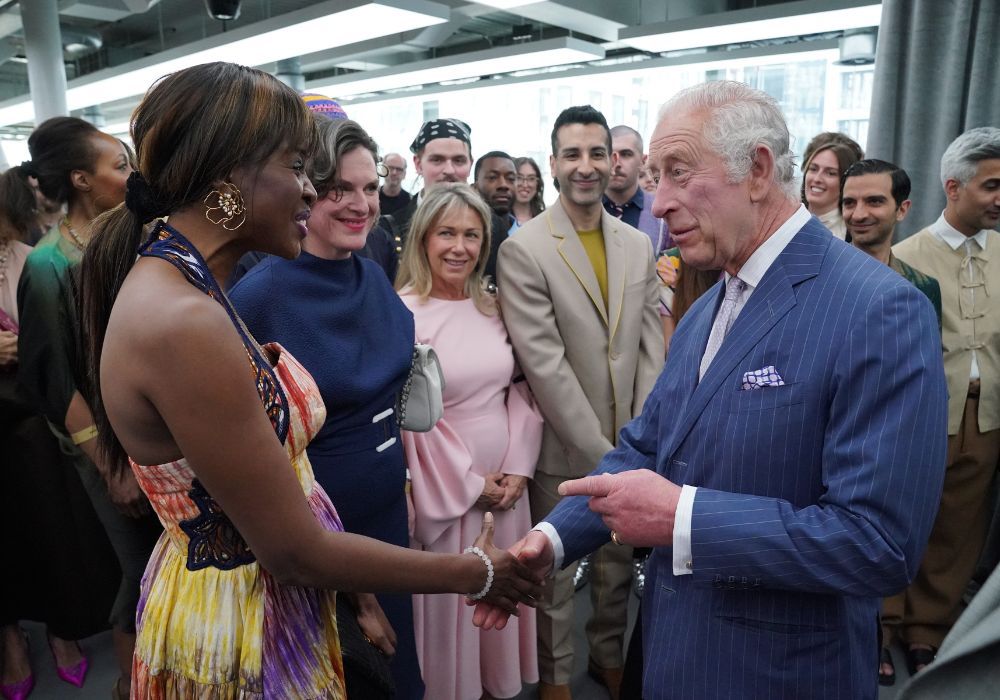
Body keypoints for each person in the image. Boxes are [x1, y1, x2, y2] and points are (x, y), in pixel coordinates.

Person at [78, 61, 540, 698]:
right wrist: (474, 573)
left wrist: (359, 592)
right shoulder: (183, 320)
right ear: (229, 180)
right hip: (239, 624)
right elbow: (292, 550)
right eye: (298, 167)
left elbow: (284, 487)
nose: (307, 191)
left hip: (274, 597)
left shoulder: (192, 288)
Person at [480, 81, 949, 700]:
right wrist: (551, 539)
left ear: (756, 169)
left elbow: (879, 545)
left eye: (678, 172)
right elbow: (645, 447)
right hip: (676, 655)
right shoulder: (706, 307)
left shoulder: (879, 310)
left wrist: (682, 517)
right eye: (654, 176)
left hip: (781, 673)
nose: (660, 200)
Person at [229, 117, 424, 697]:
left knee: (400, 675)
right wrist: (354, 593)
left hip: (388, 514)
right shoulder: (260, 296)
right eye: (340, 189)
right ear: (304, 191)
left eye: (368, 188)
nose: (360, 204)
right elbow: (262, 460)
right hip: (320, 544)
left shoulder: (370, 271)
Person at [497, 105, 663, 700]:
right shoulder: (527, 249)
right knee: (555, 572)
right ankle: (558, 676)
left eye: (600, 153)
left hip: (634, 436)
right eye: (573, 154)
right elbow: (545, 366)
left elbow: (649, 348)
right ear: (554, 163)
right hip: (566, 443)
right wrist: (606, 455)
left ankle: (609, 658)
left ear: (615, 160)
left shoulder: (638, 244)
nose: (588, 166)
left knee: (620, 564)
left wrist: (643, 437)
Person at [15, 116, 162, 700]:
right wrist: (108, 464)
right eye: (119, 166)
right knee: (138, 572)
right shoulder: (51, 265)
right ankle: (131, 684)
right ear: (81, 179)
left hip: (152, 431)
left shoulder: (134, 237)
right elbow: (51, 378)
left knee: (166, 563)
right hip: (104, 445)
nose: (131, 175)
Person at [396, 182, 543, 700]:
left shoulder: (494, 306)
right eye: (447, 233)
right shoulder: (402, 313)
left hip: (506, 489)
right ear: (423, 239)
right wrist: (469, 484)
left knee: (494, 626)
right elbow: (409, 421)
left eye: (472, 235)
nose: (460, 247)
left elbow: (521, 389)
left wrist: (520, 467)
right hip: (449, 493)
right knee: (449, 618)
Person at [0, 164, 121, 700]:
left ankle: (59, 630)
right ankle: (10, 642)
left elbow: (52, 350)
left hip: (28, 421)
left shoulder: (33, 260)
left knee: (46, 526)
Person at [889, 126, 1000, 679]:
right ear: (953, 188)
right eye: (992, 185)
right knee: (902, 520)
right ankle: (882, 624)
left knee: (959, 529)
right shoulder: (905, 258)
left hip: (987, 415)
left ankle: (927, 630)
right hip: (922, 417)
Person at [604, 125, 662, 251]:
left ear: (643, 161)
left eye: (626, 154)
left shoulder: (662, 215)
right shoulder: (581, 210)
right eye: (609, 154)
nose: (617, 163)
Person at [800, 131, 863, 239]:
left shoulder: (853, 236)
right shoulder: (784, 220)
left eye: (831, 173)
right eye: (813, 169)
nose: (817, 179)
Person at [473, 150, 517, 232]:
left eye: (511, 178)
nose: (503, 185)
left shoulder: (525, 236)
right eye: (492, 177)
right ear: (475, 186)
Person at [511, 156, 545, 230]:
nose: (525, 185)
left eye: (531, 178)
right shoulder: (498, 220)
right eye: (519, 178)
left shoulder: (546, 220)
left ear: (538, 184)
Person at [379, 152, 412, 216]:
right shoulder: (372, 198)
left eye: (399, 169)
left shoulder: (411, 203)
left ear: (404, 174)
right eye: (390, 168)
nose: (394, 173)